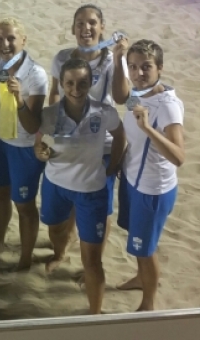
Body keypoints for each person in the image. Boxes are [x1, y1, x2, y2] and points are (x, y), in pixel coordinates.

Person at [34, 58, 126, 315]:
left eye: (82, 83)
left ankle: (94, 314)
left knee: (92, 261)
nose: (76, 88)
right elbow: (39, 142)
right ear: (62, 84)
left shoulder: (103, 112)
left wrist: (115, 164)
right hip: (55, 185)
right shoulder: (50, 114)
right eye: (70, 83)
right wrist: (39, 152)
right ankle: (60, 253)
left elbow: (120, 135)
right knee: (55, 230)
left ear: (90, 83)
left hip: (91, 191)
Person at [49, 4, 129, 260]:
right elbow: (53, 94)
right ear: (73, 28)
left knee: (100, 209)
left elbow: (120, 97)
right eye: (80, 23)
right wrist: (49, 131)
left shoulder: (110, 60)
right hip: (67, 142)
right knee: (70, 196)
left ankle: (93, 263)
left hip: (100, 145)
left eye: (92, 22)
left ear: (102, 27)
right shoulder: (62, 58)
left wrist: (118, 60)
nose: (86, 28)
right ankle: (62, 249)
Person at [111, 40, 185, 311]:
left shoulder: (167, 106)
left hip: (152, 190)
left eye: (146, 67)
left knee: (146, 248)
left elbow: (179, 156)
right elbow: (121, 97)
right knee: (137, 241)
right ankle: (142, 278)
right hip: (133, 180)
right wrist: (118, 61)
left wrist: (149, 130)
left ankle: (148, 303)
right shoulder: (139, 94)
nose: (138, 73)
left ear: (160, 68)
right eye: (133, 67)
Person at [0, 18, 48, 270]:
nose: (5, 44)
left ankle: (26, 256)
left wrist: (19, 99)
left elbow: (32, 125)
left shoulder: (35, 74)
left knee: (24, 204)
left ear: (23, 40)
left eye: (10, 38)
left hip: (22, 146)